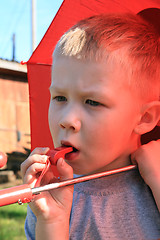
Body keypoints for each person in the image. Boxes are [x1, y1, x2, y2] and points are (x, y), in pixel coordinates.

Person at [21, 13, 160, 240]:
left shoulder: (154, 186)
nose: (66, 119)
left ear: (145, 118)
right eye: (59, 98)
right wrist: (52, 220)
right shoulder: (47, 196)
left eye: (93, 102)